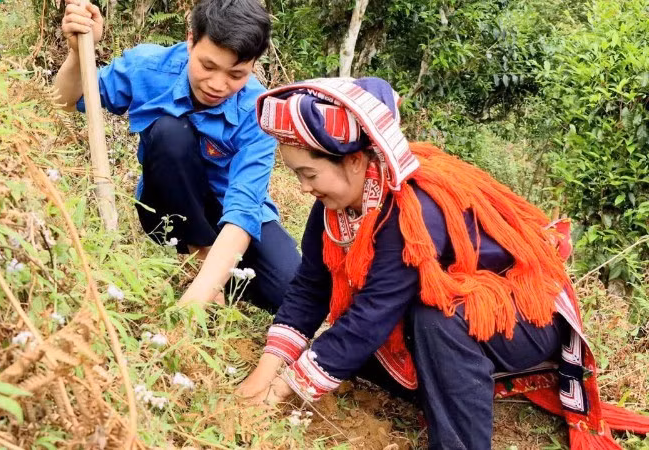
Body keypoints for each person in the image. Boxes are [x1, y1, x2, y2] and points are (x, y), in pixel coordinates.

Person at [235, 77, 649, 449]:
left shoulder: (411, 214)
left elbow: (371, 314)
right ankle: (443, 381)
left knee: (434, 317)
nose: (303, 188)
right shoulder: (334, 206)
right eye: (296, 175)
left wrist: (279, 392)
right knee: (362, 341)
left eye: (309, 174)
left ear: (356, 161)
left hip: (525, 316)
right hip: (460, 304)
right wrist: (264, 371)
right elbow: (311, 288)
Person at [53, 0, 301, 311]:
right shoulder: (150, 68)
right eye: (208, 66)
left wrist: (203, 289)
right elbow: (65, 99)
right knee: (171, 133)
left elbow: (243, 210)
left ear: (253, 65)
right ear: (190, 40)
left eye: (236, 74)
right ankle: (201, 255)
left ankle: (221, 274)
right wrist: (79, 54)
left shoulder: (258, 111)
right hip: (167, 208)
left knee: (289, 289)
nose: (217, 84)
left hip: (229, 210)